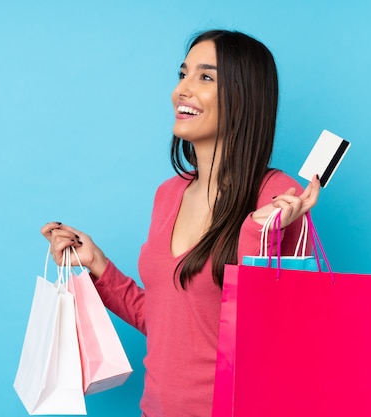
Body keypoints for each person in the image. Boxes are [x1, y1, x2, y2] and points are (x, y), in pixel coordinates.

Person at [41, 29, 320, 417]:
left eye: (205, 77)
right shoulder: (168, 194)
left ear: (244, 97)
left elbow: (276, 338)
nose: (181, 90)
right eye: (183, 74)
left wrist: (259, 233)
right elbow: (170, 325)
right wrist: (98, 265)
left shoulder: (276, 195)